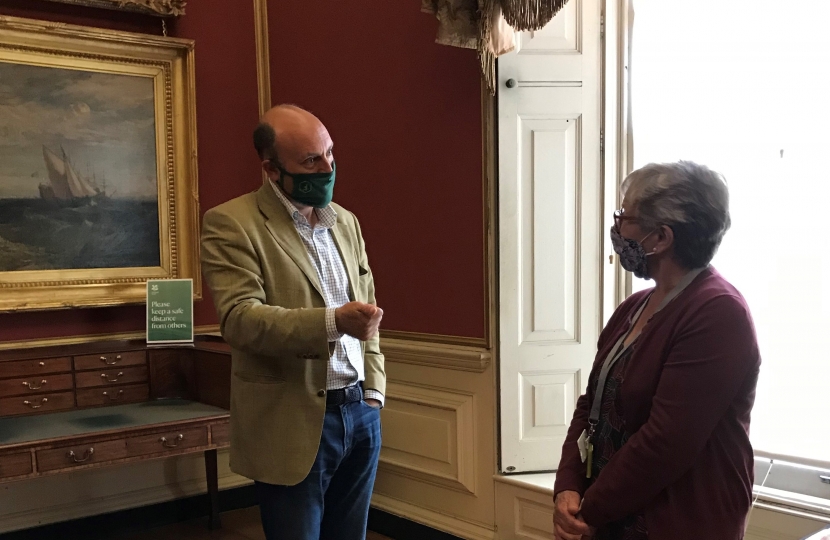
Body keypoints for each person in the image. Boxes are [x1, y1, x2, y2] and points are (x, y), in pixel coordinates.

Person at [200, 104, 385, 540]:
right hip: (291, 423)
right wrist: (331, 322)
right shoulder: (232, 223)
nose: (327, 168)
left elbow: (369, 307)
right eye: (311, 161)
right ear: (270, 169)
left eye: (330, 154)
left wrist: (374, 392)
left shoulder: (346, 222)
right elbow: (240, 319)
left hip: (359, 412)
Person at [552, 161, 761, 540]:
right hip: (611, 514)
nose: (617, 227)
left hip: (678, 522)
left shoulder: (719, 313)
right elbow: (592, 405)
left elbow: (665, 444)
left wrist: (589, 511)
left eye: (624, 216)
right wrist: (568, 484)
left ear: (661, 238)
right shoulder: (634, 307)